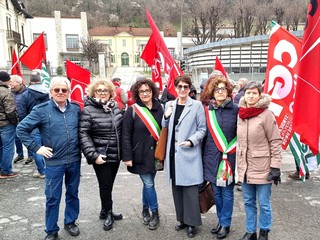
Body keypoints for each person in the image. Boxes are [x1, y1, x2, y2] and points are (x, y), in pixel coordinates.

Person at [17, 76, 81, 240]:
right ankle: (51, 230)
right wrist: (37, 148)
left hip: (74, 160)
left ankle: (70, 222)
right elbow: (21, 129)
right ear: (51, 92)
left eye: (64, 90)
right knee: (53, 197)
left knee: (73, 193)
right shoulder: (41, 110)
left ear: (68, 92)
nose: (60, 92)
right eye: (56, 90)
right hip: (54, 162)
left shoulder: (75, 109)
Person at [237, 81, 282, 240]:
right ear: (244, 94)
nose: (250, 96)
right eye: (248, 93)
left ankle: (264, 231)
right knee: (248, 202)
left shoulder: (267, 114)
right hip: (245, 167)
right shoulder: (241, 113)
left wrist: (275, 166)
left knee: (264, 203)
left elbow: (275, 141)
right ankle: (250, 232)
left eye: (254, 93)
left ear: (259, 95)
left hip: (262, 167)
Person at [162, 75, 206, 238]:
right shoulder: (169, 104)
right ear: (175, 88)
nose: (182, 90)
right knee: (177, 189)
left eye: (185, 87)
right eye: (179, 86)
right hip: (173, 155)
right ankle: (181, 219)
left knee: (190, 190)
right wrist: (166, 116)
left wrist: (191, 141)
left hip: (189, 154)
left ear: (190, 89)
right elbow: (164, 127)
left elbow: (202, 129)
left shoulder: (196, 105)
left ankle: (192, 223)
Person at [79, 79, 123, 231]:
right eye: (99, 90)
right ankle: (108, 213)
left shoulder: (115, 108)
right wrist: (93, 155)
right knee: (105, 185)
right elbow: (84, 135)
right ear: (93, 93)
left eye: (105, 90)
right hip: (100, 156)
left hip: (115, 155)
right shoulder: (88, 110)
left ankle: (105, 209)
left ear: (111, 93)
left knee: (109, 184)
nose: (103, 93)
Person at [122, 78, 163, 230]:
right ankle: (155, 212)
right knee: (149, 183)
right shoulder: (132, 110)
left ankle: (145, 208)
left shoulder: (161, 108)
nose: (145, 93)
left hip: (156, 155)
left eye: (148, 90)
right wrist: (127, 157)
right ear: (137, 94)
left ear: (153, 91)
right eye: (142, 91)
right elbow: (126, 135)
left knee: (148, 183)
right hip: (139, 154)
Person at [202, 75, 238, 239]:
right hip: (212, 157)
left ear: (228, 91)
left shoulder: (237, 110)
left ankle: (226, 224)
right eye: (217, 89)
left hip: (229, 158)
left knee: (227, 193)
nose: (220, 92)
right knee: (216, 193)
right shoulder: (208, 111)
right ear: (212, 92)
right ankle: (220, 220)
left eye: (223, 89)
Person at [19, 71, 50, 178]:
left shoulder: (25, 94)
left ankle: (42, 171)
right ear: (40, 79)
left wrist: (27, 125)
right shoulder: (47, 92)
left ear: (30, 80)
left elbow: (22, 112)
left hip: (33, 125)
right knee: (48, 146)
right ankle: (49, 168)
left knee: (37, 148)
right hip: (47, 123)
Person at [0, 71, 19, 179]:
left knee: (0, 147)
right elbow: (10, 110)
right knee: (8, 147)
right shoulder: (5, 92)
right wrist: (15, 122)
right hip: (6, 123)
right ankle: (6, 170)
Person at [9, 75, 28, 164]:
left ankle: (31, 156)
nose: (10, 83)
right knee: (17, 138)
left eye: (11, 82)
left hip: (26, 119)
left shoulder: (27, 92)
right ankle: (20, 154)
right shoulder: (10, 93)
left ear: (18, 83)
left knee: (28, 138)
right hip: (14, 119)